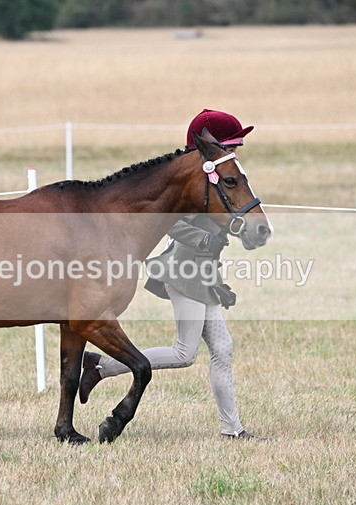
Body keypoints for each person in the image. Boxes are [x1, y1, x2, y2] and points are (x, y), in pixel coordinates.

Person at [79, 109, 266, 441]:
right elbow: (175, 223)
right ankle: (102, 367)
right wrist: (207, 238)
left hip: (203, 274)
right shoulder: (190, 186)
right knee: (184, 353)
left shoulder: (220, 183)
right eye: (232, 145)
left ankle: (232, 429)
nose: (236, 151)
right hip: (185, 271)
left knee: (222, 348)